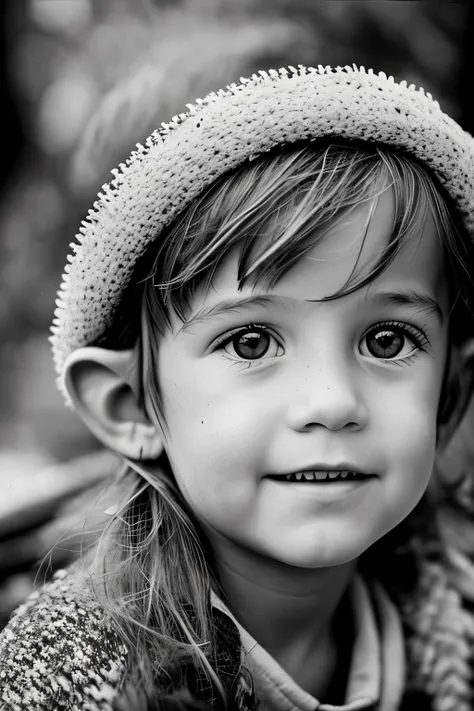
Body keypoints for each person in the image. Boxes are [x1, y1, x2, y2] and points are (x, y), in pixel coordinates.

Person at [1, 65, 474, 711]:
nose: (332, 401)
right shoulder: (71, 673)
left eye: (387, 340)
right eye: (252, 342)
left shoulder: (451, 633)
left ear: (451, 386)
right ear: (129, 403)